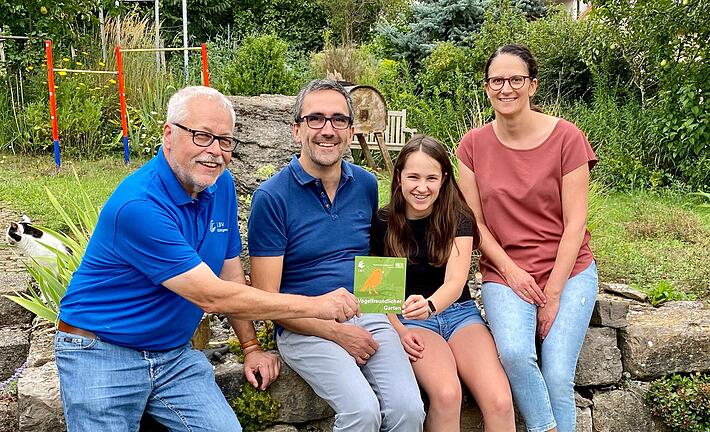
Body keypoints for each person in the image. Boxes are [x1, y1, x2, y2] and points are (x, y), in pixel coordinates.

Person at [55, 86, 360, 432]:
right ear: (168, 135)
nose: (214, 152)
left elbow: (231, 276)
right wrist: (317, 306)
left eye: (225, 141)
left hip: (173, 355)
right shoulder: (138, 207)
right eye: (202, 136)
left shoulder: (220, 186)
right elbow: (211, 295)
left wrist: (250, 347)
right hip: (101, 351)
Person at [247, 79, 425, 432]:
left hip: (367, 312)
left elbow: (371, 263)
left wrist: (395, 324)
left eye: (338, 120)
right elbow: (268, 303)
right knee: (362, 412)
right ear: (296, 130)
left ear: (350, 130)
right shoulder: (271, 198)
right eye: (316, 119)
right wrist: (337, 334)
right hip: (305, 327)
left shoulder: (365, 184)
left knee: (409, 410)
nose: (327, 130)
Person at [457, 44, 599, 432]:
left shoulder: (568, 138)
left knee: (556, 374)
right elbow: (475, 223)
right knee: (517, 354)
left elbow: (575, 223)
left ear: (533, 86)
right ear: (486, 88)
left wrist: (552, 295)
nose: (506, 88)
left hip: (569, 271)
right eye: (497, 80)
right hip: (505, 273)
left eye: (516, 79)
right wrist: (512, 272)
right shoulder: (471, 146)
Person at [369, 135, 516, 432]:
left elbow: (456, 280)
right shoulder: (383, 221)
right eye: (413, 177)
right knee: (448, 394)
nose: (422, 187)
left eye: (431, 178)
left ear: (444, 179)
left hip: (458, 313)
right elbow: (376, 294)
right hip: (409, 320)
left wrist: (431, 304)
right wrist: (397, 330)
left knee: (500, 400)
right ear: (399, 177)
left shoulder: (458, 216)